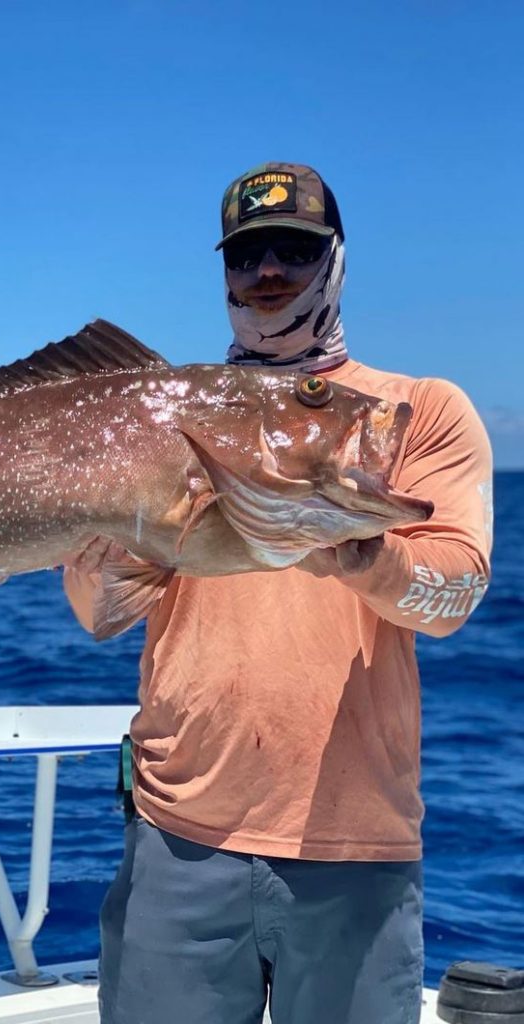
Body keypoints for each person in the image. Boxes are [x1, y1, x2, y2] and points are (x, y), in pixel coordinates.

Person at [63, 162, 493, 1024]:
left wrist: (365, 560)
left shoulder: (418, 410)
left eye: (293, 251)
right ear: (224, 273)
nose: (267, 274)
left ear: (333, 260)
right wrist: (106, 531)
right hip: (177, 837)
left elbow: (455, 596)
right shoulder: (157, 420)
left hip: (355, 847)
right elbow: (99, 613)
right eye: (247, 255)